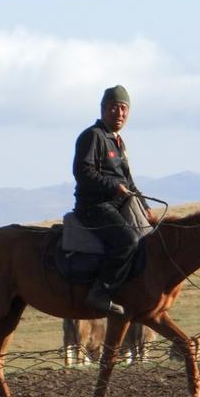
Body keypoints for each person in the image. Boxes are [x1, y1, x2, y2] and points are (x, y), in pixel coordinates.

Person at [72, 84, 144, 315]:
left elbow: (129, 182)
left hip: (117, 205)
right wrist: (115, 188)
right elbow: (83, 172)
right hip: (94, 207)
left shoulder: (118, 142)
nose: (119, 113)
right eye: (114, 108)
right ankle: (100, 292)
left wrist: (146, 208)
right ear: (103, 109)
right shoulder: (93, 136)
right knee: (127, 241)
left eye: (124, 109)